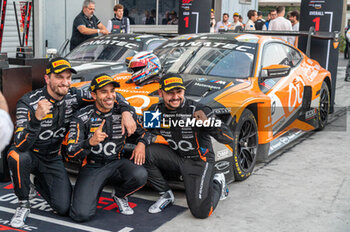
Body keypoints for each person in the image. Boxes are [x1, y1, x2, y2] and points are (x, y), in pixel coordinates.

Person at [7, 57, 136, 228]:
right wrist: (36, 119)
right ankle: (23, 203)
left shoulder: (74, 96)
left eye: (68, 78)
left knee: (64, 208)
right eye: (59, 77)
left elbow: (110, 96)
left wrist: (126, 111)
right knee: (17, 156)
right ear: (47, 78)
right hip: (30, 154)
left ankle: (39, 181)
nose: (65, 82)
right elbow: (20, 144)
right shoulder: (29, 101)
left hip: (53, 158)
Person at [144, 73, 233, 218]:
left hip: (199, 160)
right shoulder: (155, 110)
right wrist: (142, 142)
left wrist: (209, 123)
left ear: (183, 91)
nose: (175, 97)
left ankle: (218, 181)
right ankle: (166, 194)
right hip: (176, 156)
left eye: (179, 92)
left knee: (201, 212)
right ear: (160, 92)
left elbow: (229, 138)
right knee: (144, 152)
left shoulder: (198, 110)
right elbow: (146, 133)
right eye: (170, 93)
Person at [67, 74, 149, 222]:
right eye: (104, 92)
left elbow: (147, 132)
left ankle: (120, 195)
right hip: (92, 167)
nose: (109, 96)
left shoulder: (125, 112)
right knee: (81, 215)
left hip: (116, 163)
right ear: (94, 95)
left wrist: (142, 144)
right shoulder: (81, 116)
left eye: (112, 91)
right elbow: (71, 153)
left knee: (140, 174)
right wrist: (90, 142)